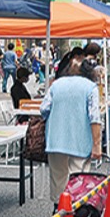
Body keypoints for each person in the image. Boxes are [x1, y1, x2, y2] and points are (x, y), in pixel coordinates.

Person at [41, 60, 103, 204]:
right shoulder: (90, 87)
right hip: (80, 139)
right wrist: (97, 143)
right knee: (78, 177)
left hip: (56, 138)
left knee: (58, 177)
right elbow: (94, 117)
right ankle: (75, 208)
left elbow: (44, 108)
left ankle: (58, 207)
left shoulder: (56, 85)